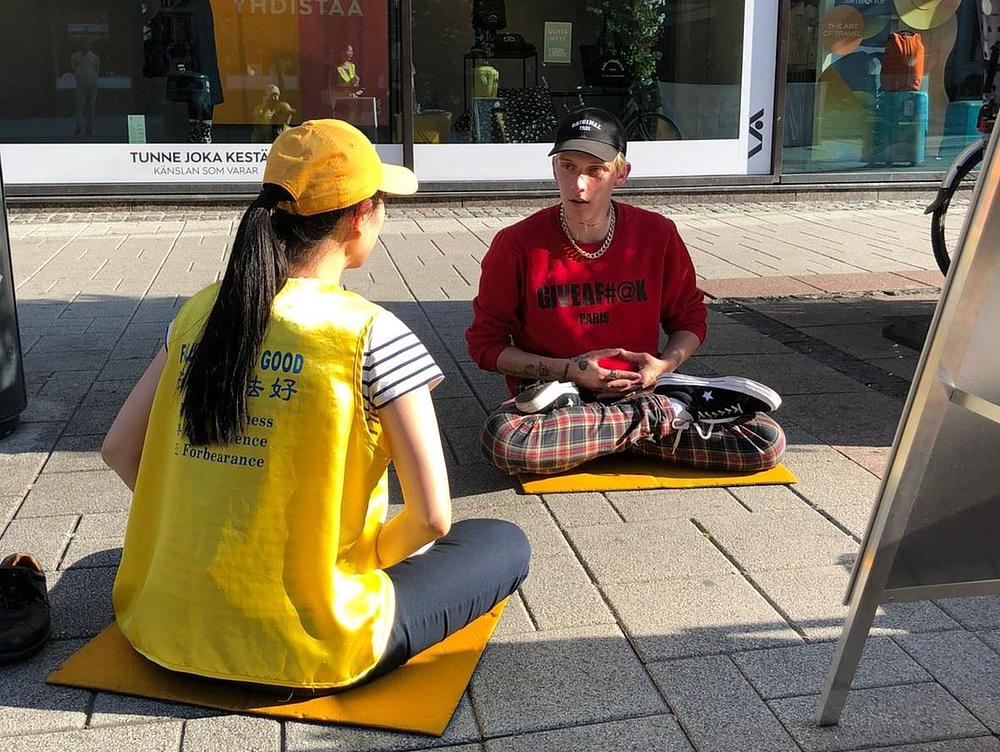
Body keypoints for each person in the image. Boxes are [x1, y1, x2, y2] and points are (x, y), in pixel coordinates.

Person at [101, 119, 530, 691]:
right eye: (382, 204)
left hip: (162, 629)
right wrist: (366, 558)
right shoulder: (372, 333)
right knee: (500, 540)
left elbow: (118, 450)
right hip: (311, 644)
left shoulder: (197, 314)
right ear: (360, 216)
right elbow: (431, 518)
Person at [465, 107, 786, 476]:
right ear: (554, 168)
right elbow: (484, 347)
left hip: (640, 390)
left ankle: (602, 438)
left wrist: (665, 365)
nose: (578, 184)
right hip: (557, 398)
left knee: (764, 439)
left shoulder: (657, 234)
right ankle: (664, 420)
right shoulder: (515, 245)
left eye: (594, 171)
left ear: (621, 173)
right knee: (505, 441)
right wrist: (570, 370)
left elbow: (690, 319)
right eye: (567, 166)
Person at [70, 40, 100, 137]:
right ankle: (78, 127)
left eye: (87, 45)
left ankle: (89, 127)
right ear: (80, 46)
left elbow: (97, 70)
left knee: (91, 106)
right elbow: (72, 68)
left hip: (92, 84)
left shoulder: (95, 57)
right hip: (80, 85)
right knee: (79, 106)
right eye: (83, 44)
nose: (85, 46)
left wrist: (93, 78)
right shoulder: (75, 57)